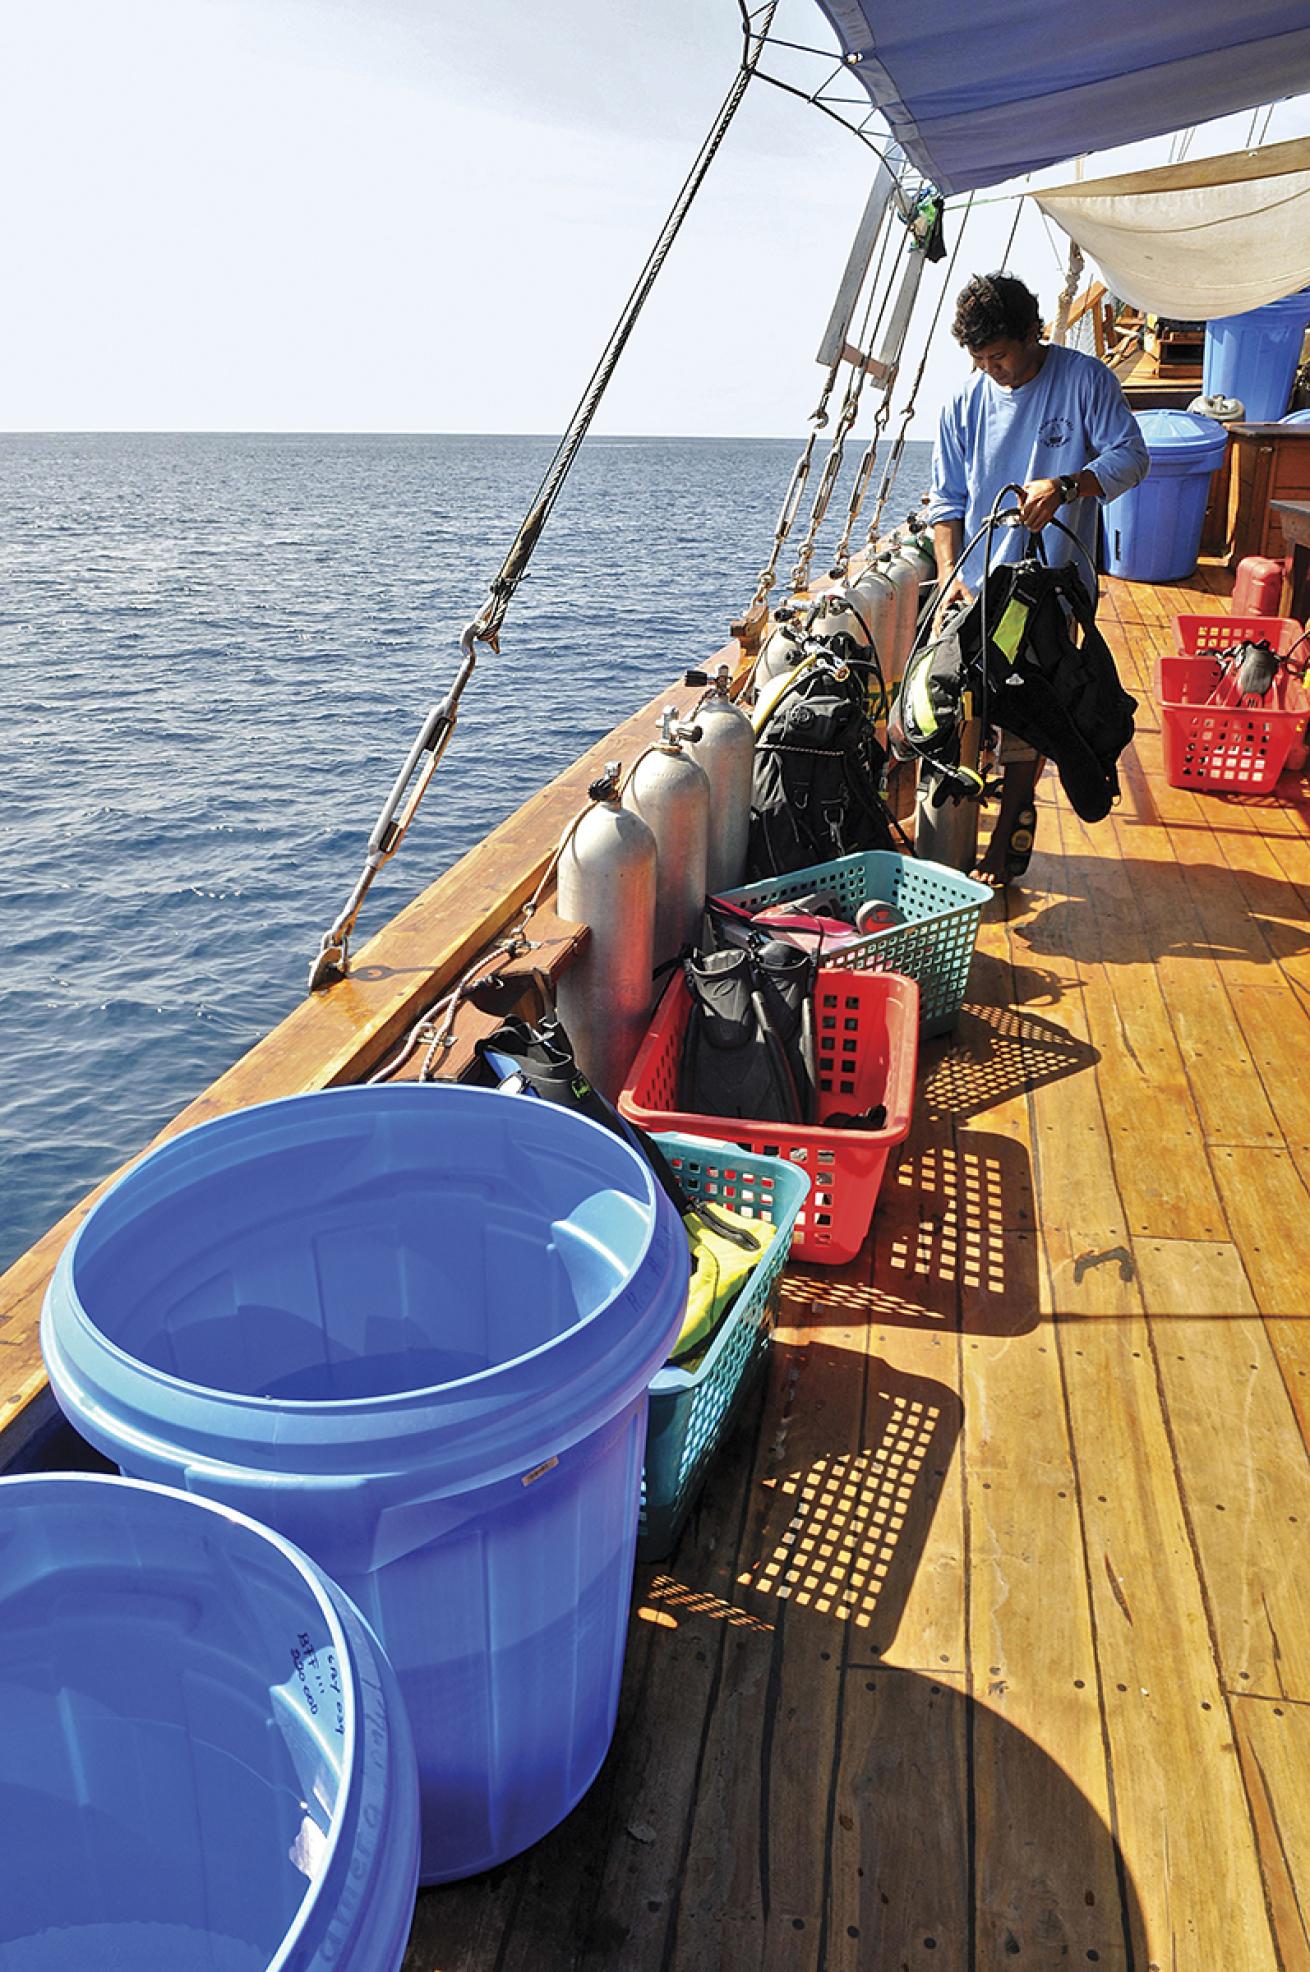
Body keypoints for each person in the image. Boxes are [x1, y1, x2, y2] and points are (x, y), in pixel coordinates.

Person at [925, 271, 1149, 882]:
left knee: (1038, 701)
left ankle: (1013, 821)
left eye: (998, 355)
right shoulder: (964, 403)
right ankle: (960, 826)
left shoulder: (1084, 381)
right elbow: (945, 501)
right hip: (979, 585)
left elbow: (1133, 457)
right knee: (964, 702)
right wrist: (950, 576)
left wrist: (1069, 484)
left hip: (1054, 584)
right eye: (978, 359)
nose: (990, 370)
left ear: (1034, 334)